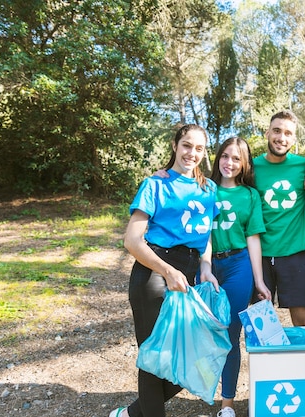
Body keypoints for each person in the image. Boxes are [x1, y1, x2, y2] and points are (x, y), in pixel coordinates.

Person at [110, 124, 219, 417]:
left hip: (188, 277)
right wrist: (167, 271)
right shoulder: (155, 184)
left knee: (189, 359)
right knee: (153, 359)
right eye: (186, 145)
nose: (192, 153)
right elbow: (132, 241)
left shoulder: (209, 188)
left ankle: (131, 414)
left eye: (199, 148)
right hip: (154, 274)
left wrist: (206, 267)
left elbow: (206, 234)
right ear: (175, 145)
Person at [209, 137, 272, 417]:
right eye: (225, 156)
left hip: (238, 266)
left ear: (244, 164)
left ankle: (227, 404)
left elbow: (253, 238)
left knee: (231, 332)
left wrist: (258, 281)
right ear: (217, 158)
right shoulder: (204, 189)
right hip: (206, 266)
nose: (229, 163)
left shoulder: (249, 195)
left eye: (236, 159)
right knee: (207, 330)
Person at [253, 110, 305, 326]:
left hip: (294, 252)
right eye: (277, 131)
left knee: (303, 320)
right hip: (259, 254)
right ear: (267, 132)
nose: (281, 138)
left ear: (294, 139)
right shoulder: (252, 166)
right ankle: (268, 361)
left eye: (288, 133)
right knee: (263, 323)